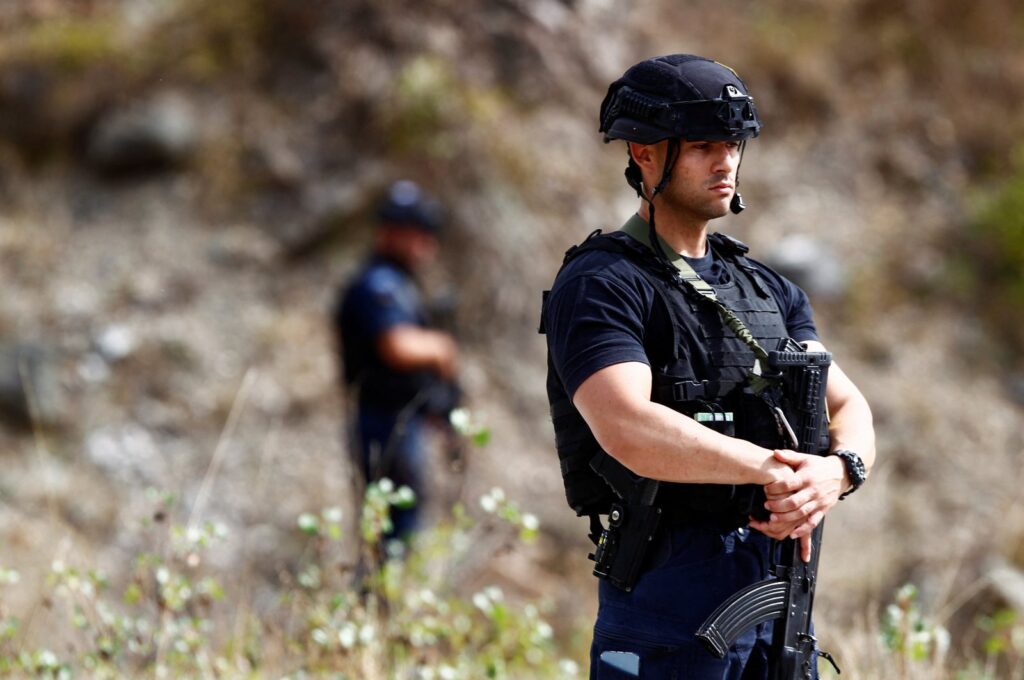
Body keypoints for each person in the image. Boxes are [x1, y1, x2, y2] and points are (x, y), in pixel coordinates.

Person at [541, 55, 875, 678]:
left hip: (777, 599)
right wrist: (771, 469)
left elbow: (848, 405)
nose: (725, 161)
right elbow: (627, 426)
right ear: (644, 154)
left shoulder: (770, 289)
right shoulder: (603, 284)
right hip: (667, 599)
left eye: (732, 144)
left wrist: (838, 472)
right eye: (701, 145)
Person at [334, 180, 459, 541]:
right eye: (416, 233)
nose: (425, 244)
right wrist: (441, 348)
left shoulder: (402, 284)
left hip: (400, 421)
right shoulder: (379, 284)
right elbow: (397, 346)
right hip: (383, 421)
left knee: (397, 524)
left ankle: (382, 593)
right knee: (392, 528)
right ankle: (380, 595)